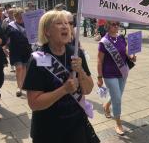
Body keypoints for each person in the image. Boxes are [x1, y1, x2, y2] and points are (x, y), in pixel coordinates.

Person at [22, 10, 99, 143]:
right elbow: (34, 103)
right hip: (48, 130)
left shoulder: (76, 53)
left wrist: (80, 70)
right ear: (47, 31)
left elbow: (88, 89)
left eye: (67, 23)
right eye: (58, 23)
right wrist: (64, 90)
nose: (65, 26)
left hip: (76, 125)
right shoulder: (37, 59)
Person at [97, 20, 136, 135]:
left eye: (118, 24)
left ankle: (106, 106)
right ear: (107, 26)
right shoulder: (103, 42)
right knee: (117, 98)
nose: (116, 26)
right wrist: (99, 77)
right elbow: (99, 61)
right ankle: (118, 123)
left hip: (123, 72)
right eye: (114, 24)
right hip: (109, 74)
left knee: (117, 94)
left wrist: (132, 57)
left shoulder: (121, 38)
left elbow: (125, 52)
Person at [6, 8, 32, 97]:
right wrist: (4, 47)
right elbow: (6, 37)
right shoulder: (10, 25)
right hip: (15, 50)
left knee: (24, 67)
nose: (20, 18)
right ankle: (18, 87)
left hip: (26, 49)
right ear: (15, 16)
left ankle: (22, 85)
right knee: (19, 68)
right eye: (18, 16)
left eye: (22, 16)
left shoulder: (28, 24)